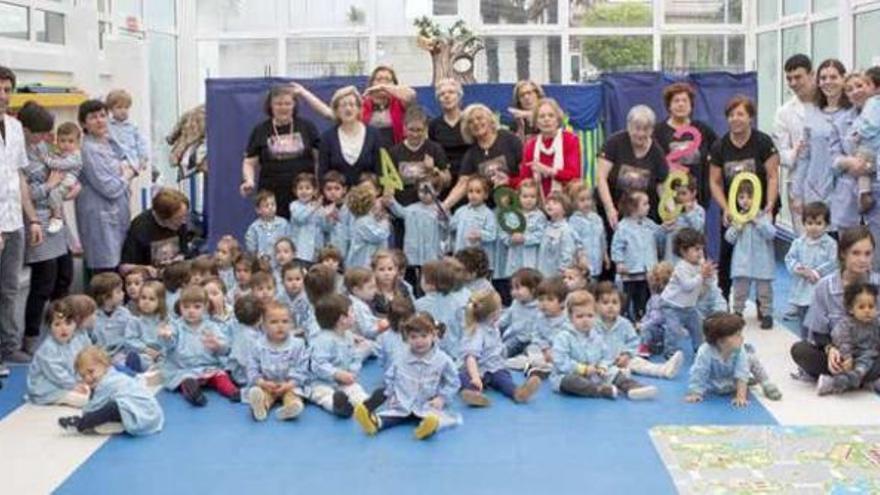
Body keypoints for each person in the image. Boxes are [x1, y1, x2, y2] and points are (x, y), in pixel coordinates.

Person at [18, 101, 75, 357]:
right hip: (36, 220)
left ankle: (60, 329)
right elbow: (26, 194)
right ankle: (31, 337)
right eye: (41, 133)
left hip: (55, 217)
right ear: (26, 129)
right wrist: (50, 185)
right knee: (44, 282)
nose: (45, 138)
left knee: (65, 274)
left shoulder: (41, 147)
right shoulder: (19, 152)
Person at [709, 95, 780, 299]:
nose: (735, 118)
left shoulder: (763, 142)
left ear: (750, 117)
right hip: (734, 208)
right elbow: (714, 182)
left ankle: (762, 304)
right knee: (727, 253)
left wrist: (769, 205)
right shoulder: (719, 146)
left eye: (740, 114)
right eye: (731, 115)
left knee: (762, 255)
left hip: (760, 208)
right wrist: (726, 208)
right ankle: (723, 301)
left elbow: (773, 175)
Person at [791, 226, 880, 382]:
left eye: (868, 253)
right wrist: (830, 350)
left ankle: (845, 378)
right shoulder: (824, 286)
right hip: (839, 353)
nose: (863, 259)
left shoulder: (877, 283)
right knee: (800, 350)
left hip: (869, 353)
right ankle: (853, 377)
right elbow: (818, 332)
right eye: (856, 253)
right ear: (843, 254)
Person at [353, 313, 461, 440]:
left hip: (427, 404)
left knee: (438, 418)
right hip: (403, 402)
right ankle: (374, 423)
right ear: (406, 338)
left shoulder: (443, 360)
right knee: (391, 416)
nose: (419, 341)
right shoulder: (401, 357)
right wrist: (391, 394)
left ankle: (427, 428)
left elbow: (453, 382)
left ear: (433, 335)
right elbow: (390, 376)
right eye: (413, 337)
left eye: (424, 336)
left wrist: (442, 398)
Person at [240, 83, 326, 219]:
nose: (283, 107)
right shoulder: (260, 130)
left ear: (294, 105)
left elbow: (320, 159)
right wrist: (249, 181)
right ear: (271, 106)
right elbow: (249, 162)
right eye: (278, 104)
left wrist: (318, 185)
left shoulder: (307, 127)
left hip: (304, 195)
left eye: (287, 103)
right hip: (271, 197)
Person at [76, 98, 136, 274]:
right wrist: (127, 174)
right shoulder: (88, 150)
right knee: (106, 273)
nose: (100, 120)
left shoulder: (110, 142)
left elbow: (133, 160)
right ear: (83, 123)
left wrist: (126, 171)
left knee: (119, 268)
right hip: (100, 218)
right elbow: (110, 187)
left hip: (117, 214)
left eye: (103, 116)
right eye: (93, 117)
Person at [458, 290, 541, 407]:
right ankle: (474, 394)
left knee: (503, 378)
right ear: (493, 314)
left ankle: (517, 392)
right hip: (477, 369)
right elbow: (470, 358)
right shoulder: (476, 332)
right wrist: (475, 377)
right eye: (499, 308)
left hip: (494, 367)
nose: (501, 310)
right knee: (464, 377)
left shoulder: (492, 326)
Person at [159, 285, 239, 407]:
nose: (191, 311)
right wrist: (166, 337)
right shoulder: (176, 326)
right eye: (186, 307)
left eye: (197, 307)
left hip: (208, 367)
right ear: (180, 307)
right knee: (186, 381)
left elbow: (226, 349)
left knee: (220, 376)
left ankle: (232, 392)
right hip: (183, 369)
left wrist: (218, 346)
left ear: (205, 307)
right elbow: (169, 346)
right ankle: (195, 395)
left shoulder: (212, 326)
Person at [58, 346, 164, 436]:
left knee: (112, 408)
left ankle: (80, 425)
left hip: (142, 416)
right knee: (114, 406)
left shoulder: (106, 383)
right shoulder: (113, 373)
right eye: (83, 376)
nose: (88, 378)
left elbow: (93, 407)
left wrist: (87, 417)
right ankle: (119, 424)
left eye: (91, 372)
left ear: (105, 365)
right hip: (152, 413)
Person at [792, 59, 851, 211]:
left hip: (846, 192)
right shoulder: (812, 114)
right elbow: (804, 157)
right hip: (815, 191)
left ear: (843, 79)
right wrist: (797, 193)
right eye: (823, 78)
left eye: (833, 77)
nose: (828, 82)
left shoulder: (853, 114)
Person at [686, 313, 780, 407]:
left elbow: (742, 370)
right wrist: (695, 392)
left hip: (734, 379)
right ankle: (743, 382)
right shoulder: (705, 351)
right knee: (699, 370)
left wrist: (741, 396)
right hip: (713, 383)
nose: (742, 338)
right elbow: (700, 372)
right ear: (721, 340)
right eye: (737, 335)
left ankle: (765, 382)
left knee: (751, 358)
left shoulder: (740, 350)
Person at [597, 105, 667, 229]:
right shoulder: (614, 142)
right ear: (628, 126)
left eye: (646, 129)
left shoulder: (657, 152)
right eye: (637, 128)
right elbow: (601, 177)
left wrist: (667, 212)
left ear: (651, 130)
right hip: (613, 209)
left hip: (642, 215)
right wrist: (610, 209)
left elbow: (661, 185)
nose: (641, 133)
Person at [443, 104, 523, 210]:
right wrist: (444, 206)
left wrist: (510, 182)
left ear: (490, 119)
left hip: (518, 201)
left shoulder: (510, 139)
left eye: (479, 118)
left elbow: (526, 172)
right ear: (468, 128)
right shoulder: (471, 154)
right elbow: (462, 184)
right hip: (489, 209)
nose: (476, 123)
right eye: (470, 122)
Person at [653, 83, 718, 207]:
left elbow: (718, 151)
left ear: (691, 105)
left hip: (697, 198)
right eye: (676, 101)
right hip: (668, 199)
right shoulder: (658, 132)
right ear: (669, 105)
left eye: (685, 100)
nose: (681, 104)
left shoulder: (703, 129)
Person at [724, 180, 777, 329]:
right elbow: (729, 238)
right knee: (740, 289)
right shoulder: (737, 217)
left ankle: (767, 314)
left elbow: (771, 234)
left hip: (762, 262)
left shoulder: (764, 216)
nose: (745, 201)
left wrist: (758, 221)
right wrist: (737, 227)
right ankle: (738, 312)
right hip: (742, 262)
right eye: (741, 197)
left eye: (749, 197)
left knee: (764, 290)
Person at [307, 293, 369, 417]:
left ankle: (365, 404)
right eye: (352, 312)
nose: (354, 315)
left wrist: (352, 371)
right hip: (321, 381)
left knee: (355, 389)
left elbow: (352, 359)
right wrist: (336, 373)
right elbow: (318, 364)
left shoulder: (348, 336)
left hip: (342, 381)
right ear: (342, 319)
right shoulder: (323, 339)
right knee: (323, 395)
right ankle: (338, 406)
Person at [246, 302, 310, 422]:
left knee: (293, 395)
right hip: (267, 384)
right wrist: (262, 382)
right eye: (274, 322)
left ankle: (291, 408)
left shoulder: (298, 344)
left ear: (291, 324)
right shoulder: (258, 345)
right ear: (264, 325)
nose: (280, 326)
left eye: (285, 321)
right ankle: (261, 406)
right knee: (262, 394)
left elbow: (302, 368)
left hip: (290, 384)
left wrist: (290, 384)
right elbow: (252, 367)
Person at [773, 54, 815, 233]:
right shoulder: (784, 112)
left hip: (831, 183)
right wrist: (795, 151)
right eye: (789, 79)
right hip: (800, 183)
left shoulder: (829, 104)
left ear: (811, 74)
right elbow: (779, 153)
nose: (793, 83)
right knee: (805, 240)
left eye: (798, 77)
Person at [549, 290, 617, 399]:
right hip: (568, 375)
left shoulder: (597, 335)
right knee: (570, 381)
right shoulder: (563, 336)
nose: (585, 320)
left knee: (614, 371)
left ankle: (631, 386)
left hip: (595, 375)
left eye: (590, 316)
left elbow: (607, 355)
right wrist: (581, 369)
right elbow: (560, 361)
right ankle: (600, 391)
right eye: (580, 316)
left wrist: (603, 366)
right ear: (571, 318)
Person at [816, 282, 880, 395]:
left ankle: (863, 382)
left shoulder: (875, 323)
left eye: (871, 307)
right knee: (849, 367)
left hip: (867, 357)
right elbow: (843, 341)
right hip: (846, 356)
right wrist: (847, 357)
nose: (867, 311)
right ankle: (832, 383)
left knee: (865, 365)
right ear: (851, 309)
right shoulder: (846, 324)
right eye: (861, 307)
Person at [784, 202, 838, 334]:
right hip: (803, 289)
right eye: (809, 223)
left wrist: (815, 272)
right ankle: (805, 344)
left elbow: (834, 263)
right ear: (804, 223)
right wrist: (800, 269)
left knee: (822, 322)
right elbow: (790, 258)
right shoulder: (798, 243)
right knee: (804, 321)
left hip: (822, 290)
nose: (814, 227)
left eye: (819, 223)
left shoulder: (830, 244)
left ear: (827, 225)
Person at [25, 299, 91, 407]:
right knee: (85, 400)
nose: (63, 328)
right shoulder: (48, 348)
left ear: (75, 324)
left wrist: (82, 380)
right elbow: (57, 374)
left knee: (95, 389)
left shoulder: (75, 341)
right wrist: (73, 385)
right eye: (57, 324)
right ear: (49, 327)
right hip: (48, 388)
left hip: (66, 383)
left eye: (68, 323)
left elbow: (79, 364)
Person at [611, 190, 664, 321]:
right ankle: (629, 319)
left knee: (645, 298)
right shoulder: (623, 227)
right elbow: (617, 246)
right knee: (629, 298)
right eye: (645, 204)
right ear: (633, 208)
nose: (649, 206)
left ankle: (643, 319)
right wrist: (619, 262)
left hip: (648, 271)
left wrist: (665, 227)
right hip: (631, 272)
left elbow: (659, 232)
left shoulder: (649, 223)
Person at [512, 98, 582, 197]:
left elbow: (574, 176)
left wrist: (548, 171)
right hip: (538, 202)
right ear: (536, 122)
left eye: (551, 115)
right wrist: (507, 181)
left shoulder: (570, 140)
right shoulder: (530, 145)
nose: (546, 119)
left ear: (558, 119)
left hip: (567, 200)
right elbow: (525, 180)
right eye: (541, 116)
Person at [318, 86, 382, 187]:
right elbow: (322, 172)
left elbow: (380, 169)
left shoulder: (374, 134)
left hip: (368, 197)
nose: (348, 109)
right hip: (337, 199)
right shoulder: (327, 137)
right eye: (343, 105)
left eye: (352, 105)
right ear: (336, 111)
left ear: (359, 109)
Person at [120, 188, 191, 275]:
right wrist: (144, 269)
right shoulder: (140, 227)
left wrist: (180, 258)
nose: (184, 221)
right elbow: (124, 267)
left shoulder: (180, 223)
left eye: (185, 216)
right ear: (163, 217)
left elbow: (184, 251)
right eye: (178, 218)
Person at [428, 78, 469, 195]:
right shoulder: (434, 125)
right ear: (438, 100)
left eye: (451, 92)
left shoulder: (470, 120)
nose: (446, 96)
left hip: (468, 178)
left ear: (459, 96)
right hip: (445, 180)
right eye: (442, 94)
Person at [361, 65, 416, 149]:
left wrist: (382, 87)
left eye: (387, 80)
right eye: (379, 79)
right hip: (369, 152)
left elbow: (411, 95)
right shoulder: (363, 104)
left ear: (394, 84)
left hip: (396, 151)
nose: (383, 82)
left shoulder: (399, 102)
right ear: (371, 83)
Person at [106, 89, 151, 178]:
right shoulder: (108, 125)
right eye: (119, 107)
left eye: (126, 108)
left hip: (130, 161)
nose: (123, 110)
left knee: (125, 179)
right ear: (111, 110)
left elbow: (141, 142)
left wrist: (143, 158)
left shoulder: (132, 126)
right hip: (114, 162)